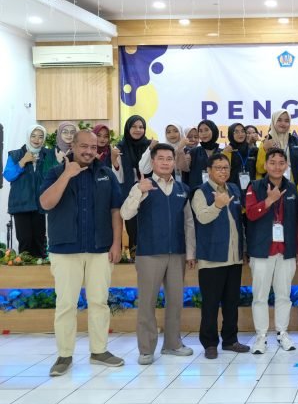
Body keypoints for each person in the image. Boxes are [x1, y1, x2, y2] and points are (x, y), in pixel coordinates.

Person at [39, 130, 124, 376]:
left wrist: (117, 243)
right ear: (73, 146)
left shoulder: (106, 174)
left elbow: (115, 211)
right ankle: (64, 355)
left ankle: (99, 351)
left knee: (99, 302)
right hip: (65, 249)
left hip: (100, 248)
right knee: (66, 304)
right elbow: (45, 203)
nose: (89, 151)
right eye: (84, 146)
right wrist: (67, 175)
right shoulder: (56, 172)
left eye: (93, 147)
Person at [119, 143, 195, 365]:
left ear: (174, 162)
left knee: (176, 302)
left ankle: (172, 344)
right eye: (160, 158)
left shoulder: (182, 189)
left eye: (169, 158)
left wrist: (190, 252)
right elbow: (125, 213)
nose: (165, 162)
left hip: (177, 253)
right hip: (149, 254)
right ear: (152, 162)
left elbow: (189, 223)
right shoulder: (143, 186)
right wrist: (138, 191)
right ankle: (146, 349)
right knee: (147, 303)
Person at [191, 153, 249, 359]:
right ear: (209, 170)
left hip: (234, 257)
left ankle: (230, 340)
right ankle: (209, 343)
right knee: (210, 304)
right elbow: (202, 218)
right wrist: (217, 205)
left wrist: (244, 249)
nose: (223, 171)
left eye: (226, 167)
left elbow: (239, 222)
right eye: (218, 168)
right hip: (212, 258)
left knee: (231, 303)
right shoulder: (200, 191)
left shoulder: (234, 189)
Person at [245, 147, 298, 354]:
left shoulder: (291, 188)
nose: (277, 166)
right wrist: (269, 201)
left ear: (286, 166)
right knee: (260, 296)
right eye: (272, 162)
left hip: (286, 250)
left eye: (281, 163)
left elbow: (295, 222)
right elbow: (250, 214)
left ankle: (282, 333)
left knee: (284, 295)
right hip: (262, 249)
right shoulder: (255, 186)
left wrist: (297, 249)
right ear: (265, 165)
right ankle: (261, 336)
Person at [3, 125, 56, 258]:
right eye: (33, 136)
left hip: (39, 203)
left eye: (40, 137)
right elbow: (8, 175)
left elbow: (51, 176)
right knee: (25, 240)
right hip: (21, 204)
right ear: (28, 137)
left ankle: (40, 267)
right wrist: (23, 161)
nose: (37, 140)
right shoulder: (15, 154)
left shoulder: (47, 154)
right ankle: (25, 268)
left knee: (39, 240)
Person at [113, 115, 152, 252]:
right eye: (134, 126)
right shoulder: (120, 148)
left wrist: (150, 150)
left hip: (148, 190)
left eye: (141, 127)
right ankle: (134, 251)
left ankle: (148, 251)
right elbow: (119, 176)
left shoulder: (150, 146)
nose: (138, 130)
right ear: (128, 128)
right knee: (132, 222)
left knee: (148, 221)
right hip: (128, 191)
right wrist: (114, 160)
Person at [257, 110, 298, 193]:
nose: (283, 123)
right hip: (271, 191)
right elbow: (260, 169)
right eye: (279, 120)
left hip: (295, 191)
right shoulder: (265, 143)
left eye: (286, 121)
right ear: (273, 121)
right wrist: (265, 149)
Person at [177, 119, 221, 191]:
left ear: (213, 130)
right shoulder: (193, 151)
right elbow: (184, 168)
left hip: (218, 191)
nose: (203, 133)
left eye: (206, 130)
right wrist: (180, 149)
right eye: (200, 131)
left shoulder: (221, 152)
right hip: (198, 192)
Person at [223, 123, 257, 191]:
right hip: (233, 189)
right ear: (231, 134)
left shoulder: (253, 150)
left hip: (252, 188)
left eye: (242, 131)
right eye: (236, 132)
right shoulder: (228, 151)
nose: (240, 134)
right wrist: (226, 153)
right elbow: (224, 170)